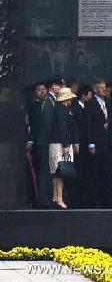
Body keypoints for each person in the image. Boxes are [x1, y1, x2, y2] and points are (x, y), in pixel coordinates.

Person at [86, 78, 112, 208]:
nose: (103, 90)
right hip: (97, 142)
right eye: (100, 88)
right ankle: (96, 200)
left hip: (108, 142)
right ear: (95, 89)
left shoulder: (107, 102)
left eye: (104, 87)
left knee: (108, 172)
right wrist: (91, 144)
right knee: (96, 172)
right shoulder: (90, 104)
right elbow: (88, 125)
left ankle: (108, 199)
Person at [34, 77, 62, 208]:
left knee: (50, 172)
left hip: (49, 142)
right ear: (54, 86)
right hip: (47, 142)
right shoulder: (49, 101)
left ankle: (48, 199)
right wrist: (54, 140)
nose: (61, 89)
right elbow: (48, 124)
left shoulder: (52, 100)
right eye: (60, 86)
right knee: (46, 172)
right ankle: (44, 200)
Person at [48, 87, 79, 209]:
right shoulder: (60, 109)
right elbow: (62, 128)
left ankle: (57, 197)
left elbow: (72, 127)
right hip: (58, 143)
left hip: (64, 143)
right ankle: (58, 198)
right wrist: (66, 145)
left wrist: (75, 142)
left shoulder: (68, 109)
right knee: (58, 171)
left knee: (59, 172)